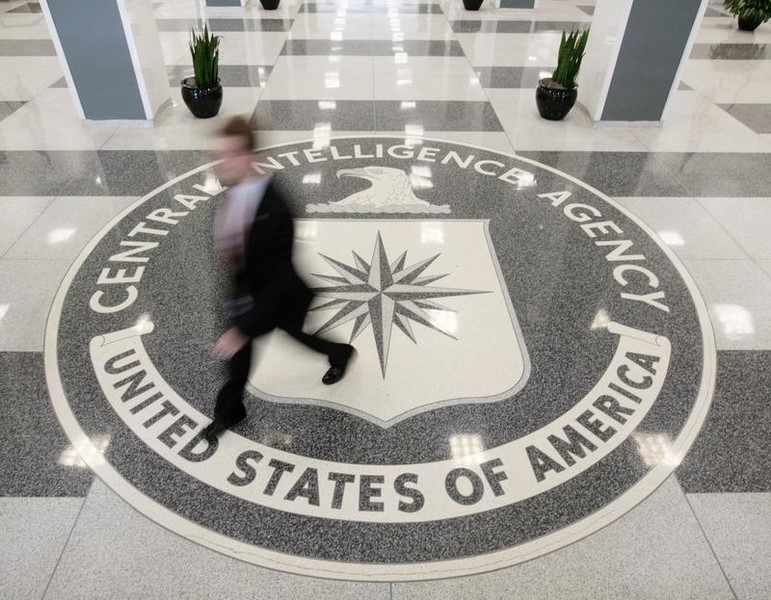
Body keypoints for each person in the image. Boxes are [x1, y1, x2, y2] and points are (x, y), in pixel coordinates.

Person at [203, 116, 354, 442]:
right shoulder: (230, 194)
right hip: (246, 292)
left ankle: (341, 353)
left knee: (299, 337)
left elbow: (280, 279)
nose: (221, 163)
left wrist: (242, 328)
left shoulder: (277, 210)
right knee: (238, 363)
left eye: (229, 155)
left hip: (279, 297)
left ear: (248, 157)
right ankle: (230, 411)